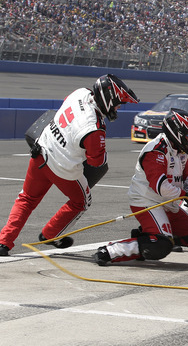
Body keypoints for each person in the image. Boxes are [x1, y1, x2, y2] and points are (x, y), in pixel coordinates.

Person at [0, 74, 139, 256]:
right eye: (118, 103)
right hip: (63, 168)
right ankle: (51, 234)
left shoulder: (80, 92)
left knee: (26, 199)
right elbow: (96, 162)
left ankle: (3, 242)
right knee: (82, 201)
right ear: (108, 100)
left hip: (40, 151)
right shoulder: (94, 128)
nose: (118, 108)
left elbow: (66, 108)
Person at [93, 108, 188, 266]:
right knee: (161, 245)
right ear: (178, 132)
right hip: (147, 200)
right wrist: (187, 197)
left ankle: (146, 238)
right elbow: (161, 187)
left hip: (167, 201)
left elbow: (187, 176)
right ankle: (111, 251)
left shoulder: (180, 150)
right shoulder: (156, 151)